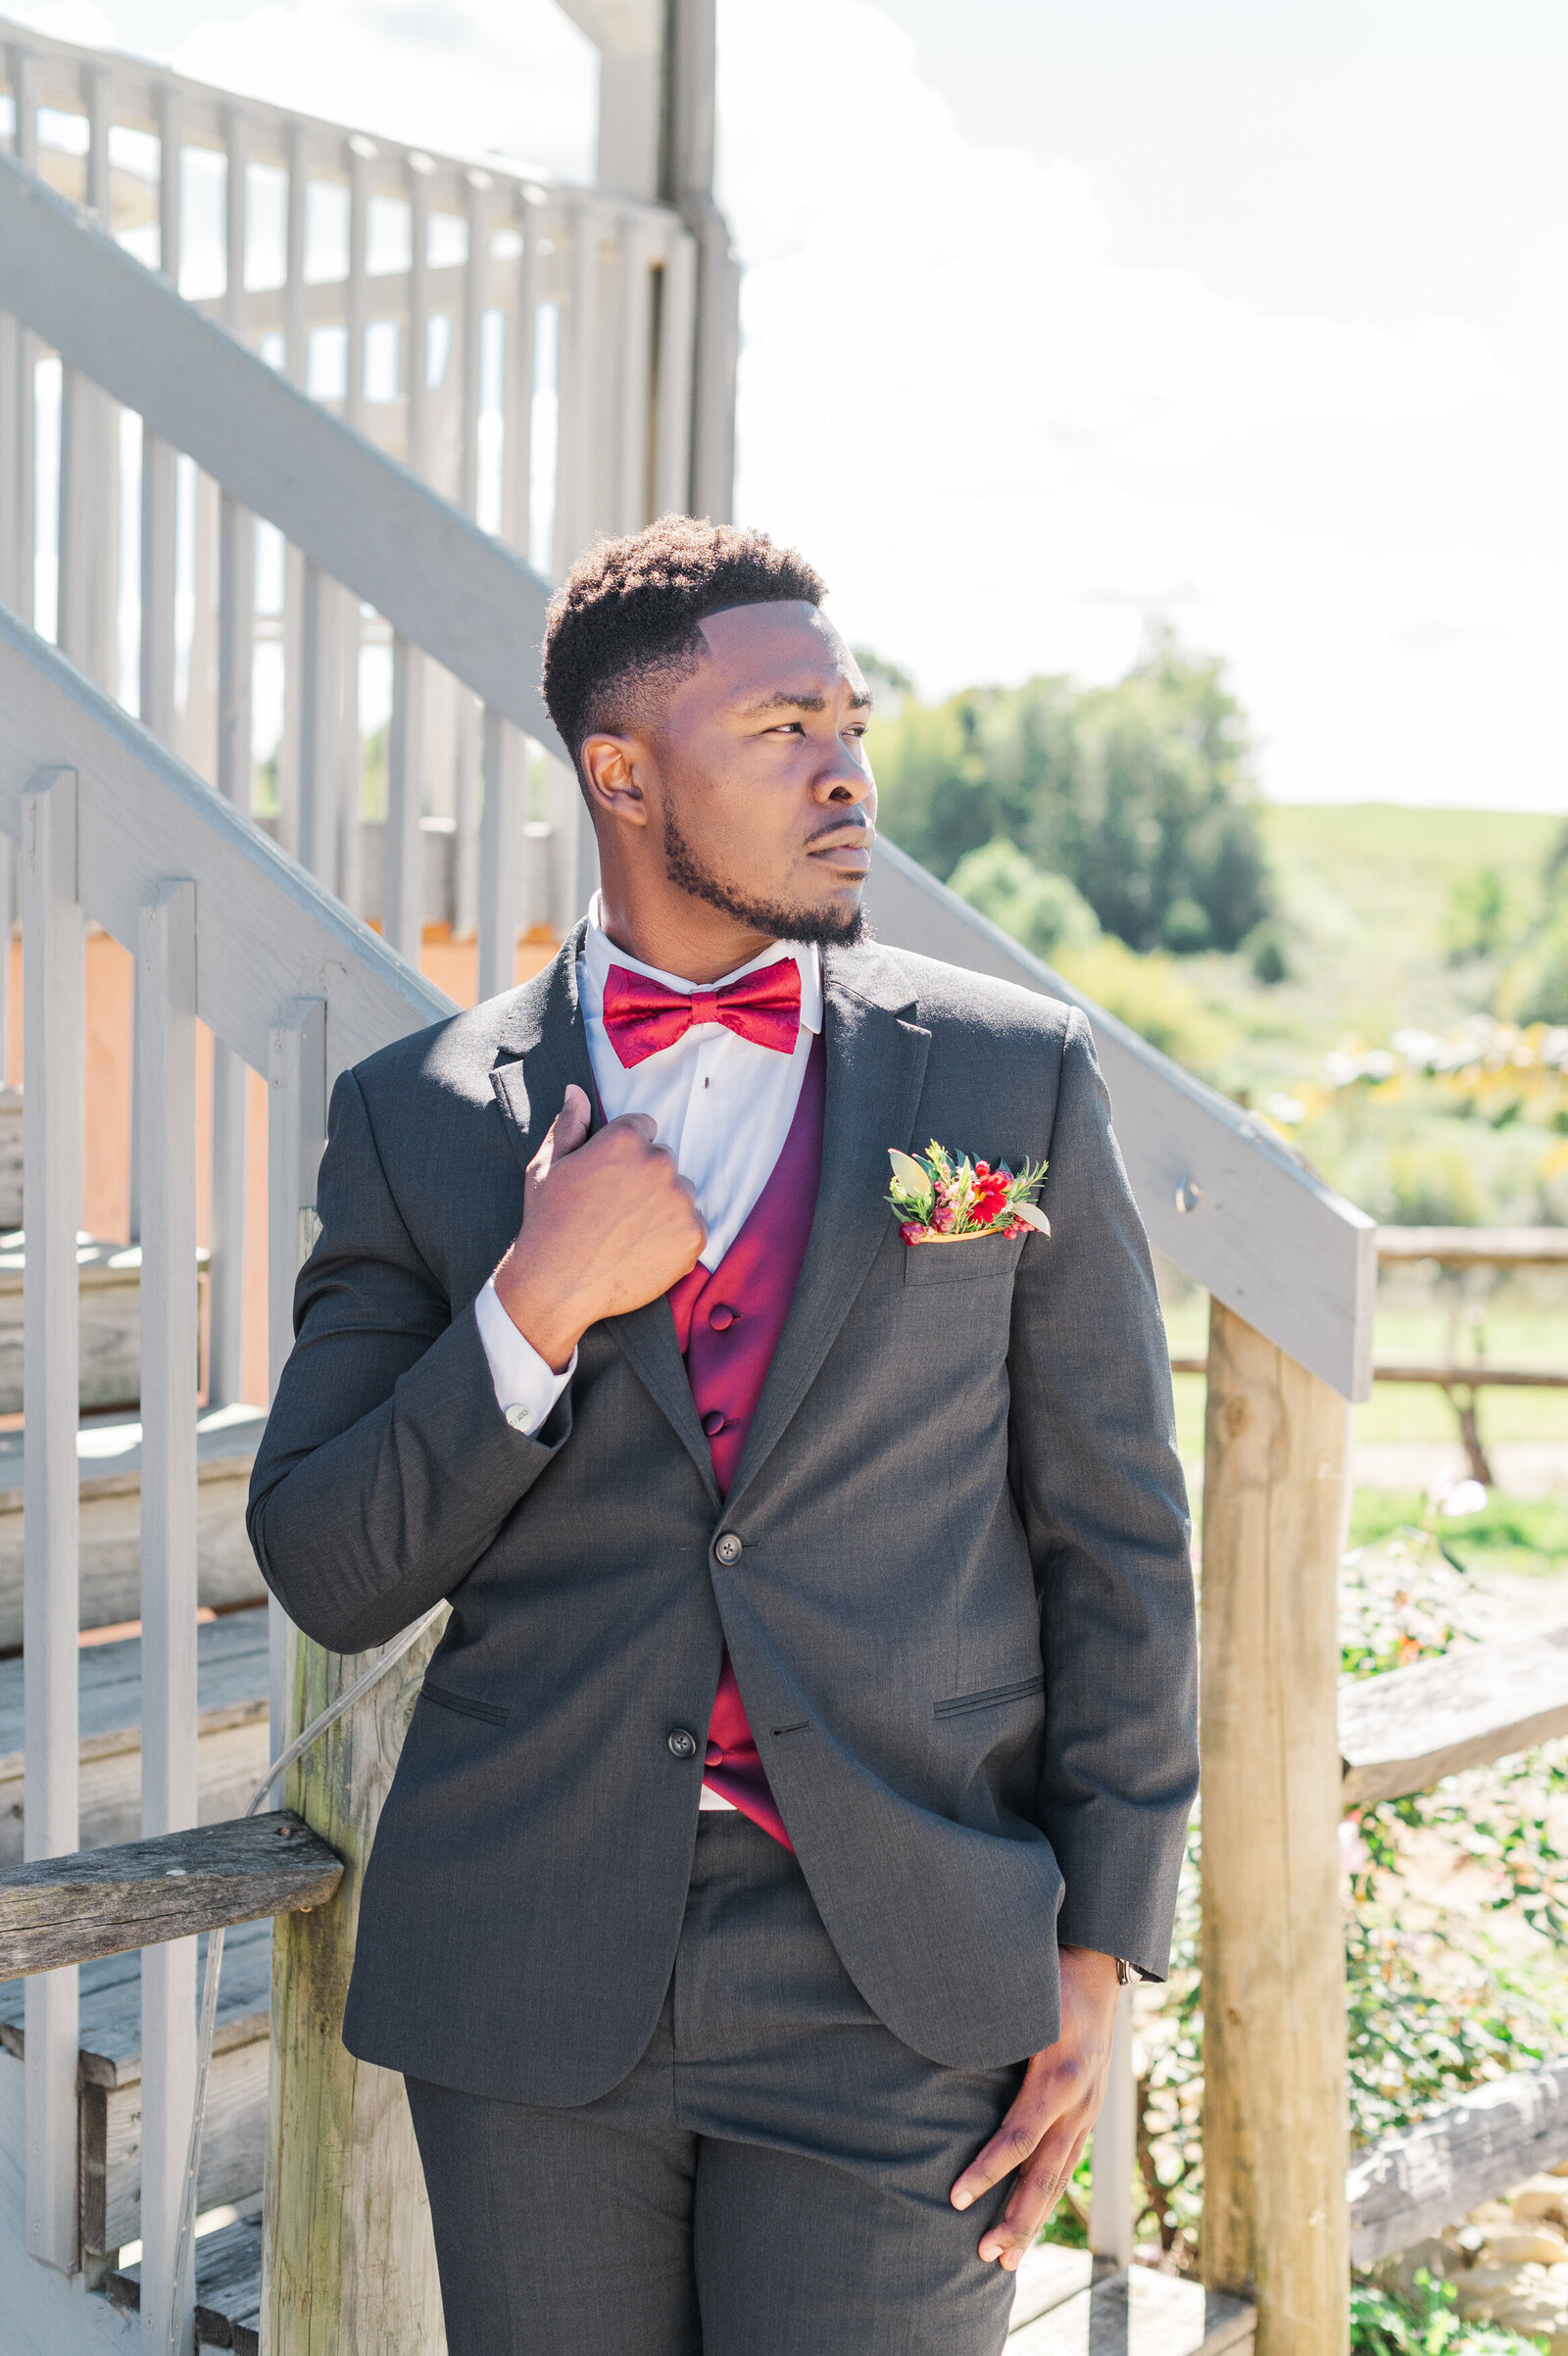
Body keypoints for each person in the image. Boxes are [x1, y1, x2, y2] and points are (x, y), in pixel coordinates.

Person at [248, 515, 1199, 2356]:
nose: (845, 770)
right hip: (530, 1971)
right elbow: (327, 1562)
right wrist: (529, 1310)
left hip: (903, 1975)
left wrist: (1101, 1951)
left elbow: (1117, 1542)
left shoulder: (1010, 1076)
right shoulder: (419, 1121)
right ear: (623, 770)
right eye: (781, 728)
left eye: (851, 721)